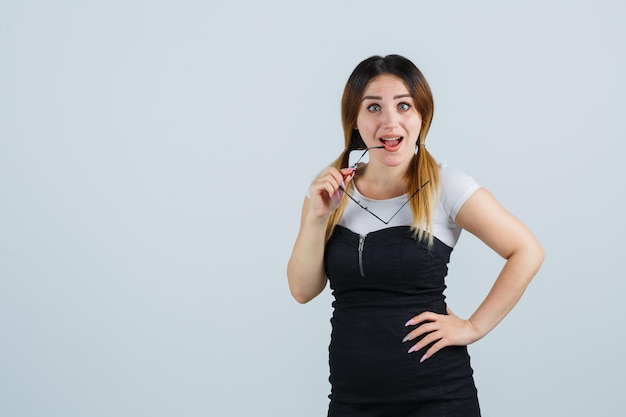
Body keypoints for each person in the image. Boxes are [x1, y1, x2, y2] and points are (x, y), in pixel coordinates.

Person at [287, 54, 544, 417]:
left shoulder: (446, 185)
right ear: (355, 121)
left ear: (421, 117)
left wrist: (473, 327)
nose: (390, 121)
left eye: (403, 106)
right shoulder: (329, 192)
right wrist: (317, 219)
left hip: (438, 397)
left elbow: (527, 251)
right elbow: (302, 290)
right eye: (373, 107)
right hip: (351, 399)